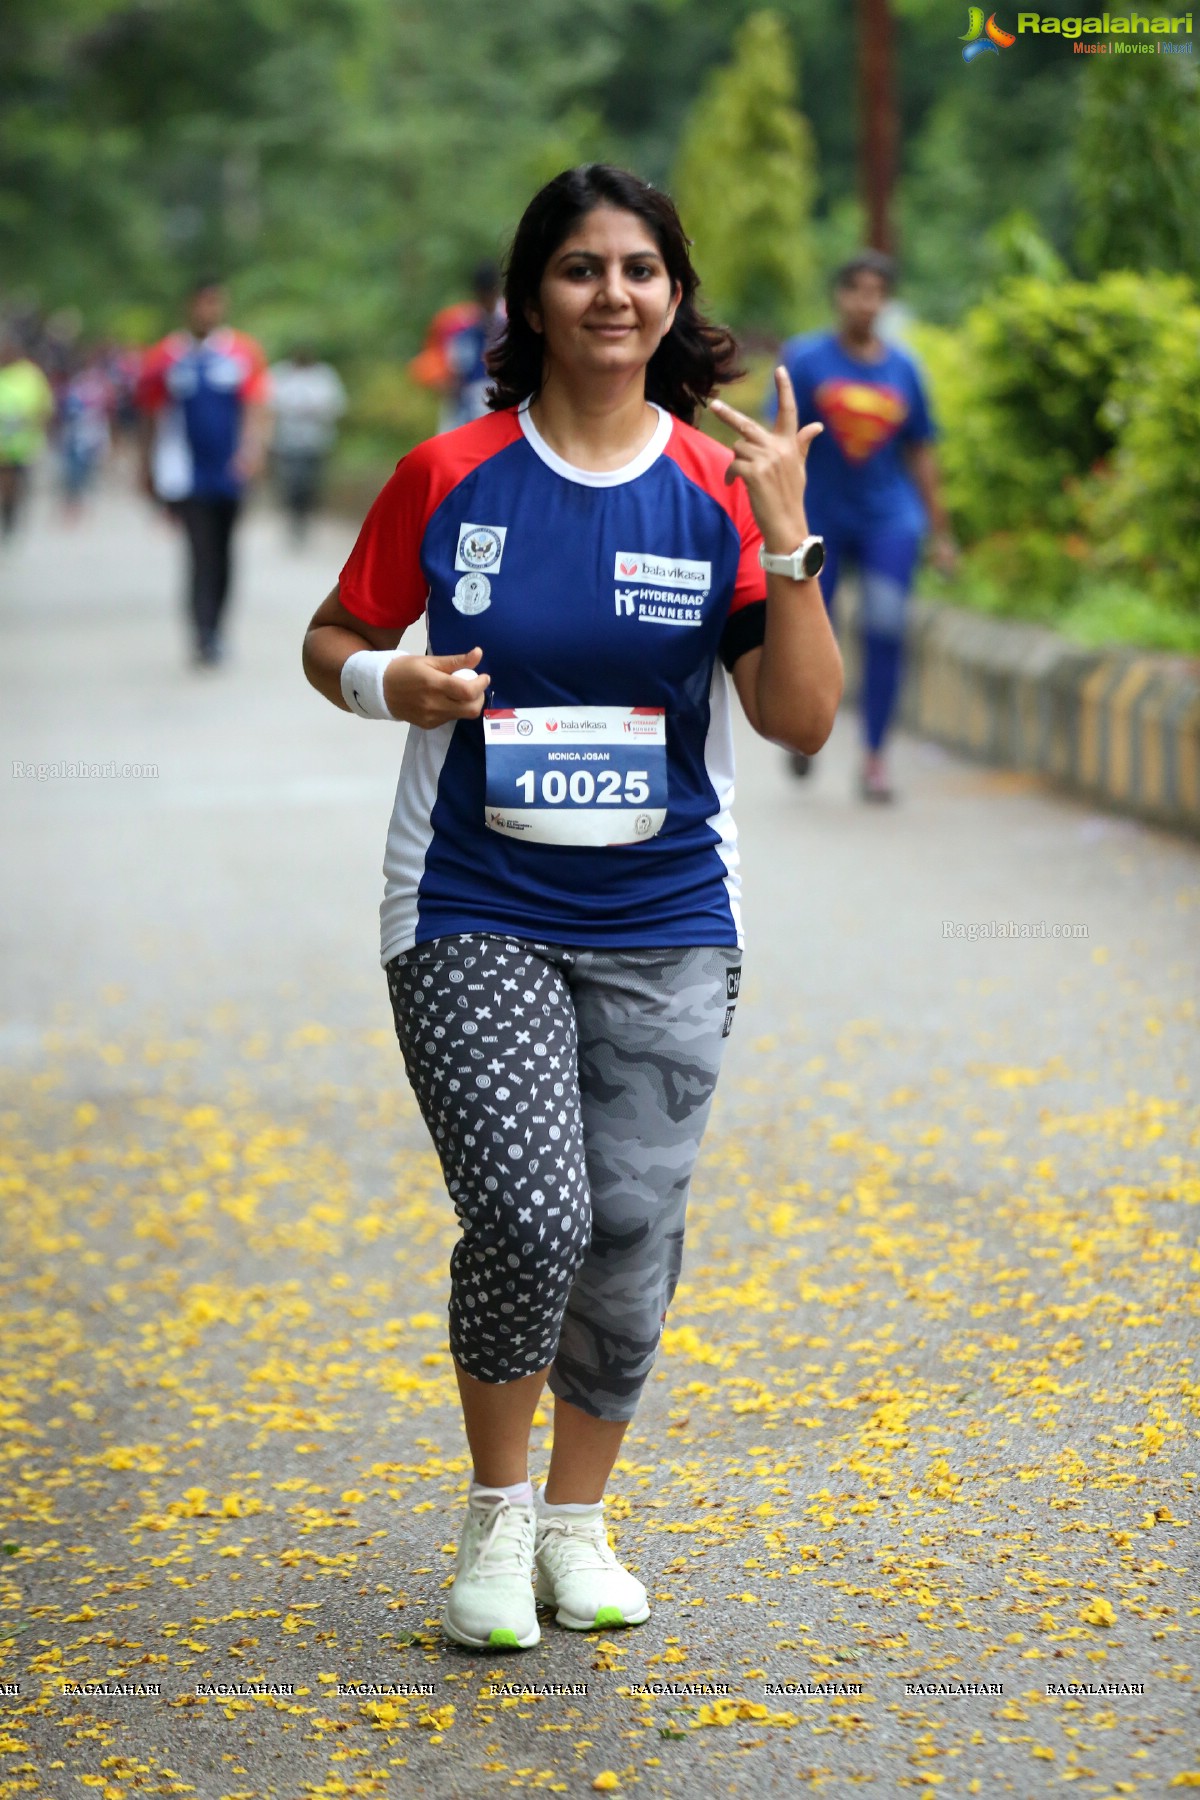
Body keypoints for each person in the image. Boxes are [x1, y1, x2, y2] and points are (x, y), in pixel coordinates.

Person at [301, 163, 841, 1652]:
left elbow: (798, 720)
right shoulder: (452, 472)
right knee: (531, 1213)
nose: (615, 295)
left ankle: (580, 1522)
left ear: (675, 298)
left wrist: (791, 548)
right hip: (472, 900)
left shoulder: (721, 491)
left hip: (669, 911)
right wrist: (387, 681)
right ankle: (493, 1520)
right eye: (583, 269)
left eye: (642, 270)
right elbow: (335, 632)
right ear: (532, 295)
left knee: (630, 1230)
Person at [769, 250, 956, 801]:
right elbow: (779, 438)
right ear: (839, 296)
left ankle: (875, 756)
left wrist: (942, 534)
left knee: (885, 630)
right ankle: (803, 736)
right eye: (858, 290)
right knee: (809, 631)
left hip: (889, 521)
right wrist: (771, 518)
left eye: (878, 292)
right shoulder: (805, 360)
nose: (867, 302)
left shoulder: (905, 369)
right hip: (819, 520)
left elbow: (922, 454)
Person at [135, 278, 269, 666]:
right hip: (184, 475)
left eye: (215, 303)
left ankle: (219, 626)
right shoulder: (165, 357)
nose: (207, 311)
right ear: (189, 306)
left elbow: (256, 407)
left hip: (229, 473)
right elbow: (150, 413)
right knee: (199, 552)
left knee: (224, 552)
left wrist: (252, 452)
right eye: (201, 303)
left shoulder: (242, 352)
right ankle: (202, 632)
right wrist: (146, 465)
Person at [409, 262, 507, 433]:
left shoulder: (515, 321)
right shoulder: (458, 325)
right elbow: (438, 366)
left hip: (504, 404)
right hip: (466, 405)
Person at [267, 345, 347, 543]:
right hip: (287, 440)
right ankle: (293, 519)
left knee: (310, 484)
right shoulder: (280, 374)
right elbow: (268, 404)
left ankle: (306, 517)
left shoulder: (324, 376)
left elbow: (337, 404)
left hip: (316, 440)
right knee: (291, 482)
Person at [0, 332, 55, 538]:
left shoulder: (30, 375)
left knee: (16, 481)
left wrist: (38, 427)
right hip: (4, 442)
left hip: (22, 441)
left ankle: (11, 514)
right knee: (6, 479)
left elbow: (44, 405)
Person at [57, 350, 113, 519]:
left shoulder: (100, 385)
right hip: (77, 435)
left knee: (87, 470)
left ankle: (81, 502)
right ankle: (74, 503)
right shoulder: (74, 387)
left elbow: (108, 410)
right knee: (74, 471)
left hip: (94, 433)